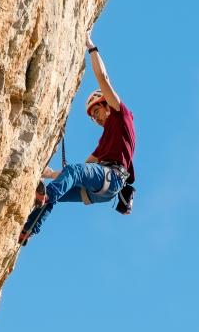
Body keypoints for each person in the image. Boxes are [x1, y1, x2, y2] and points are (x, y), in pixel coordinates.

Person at [19, 33, 135, 244]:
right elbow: (86, 166)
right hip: (104, 188)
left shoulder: (121, 116)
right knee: (60, 192)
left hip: (112, 179)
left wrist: (91, 48)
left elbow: (103, 78)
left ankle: (46, 197)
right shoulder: (106, 143)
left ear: (105, 104)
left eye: (96, 113)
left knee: (59, 187)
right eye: (93, 118)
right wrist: (52, 174)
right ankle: (28, 231)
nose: (96, 119)